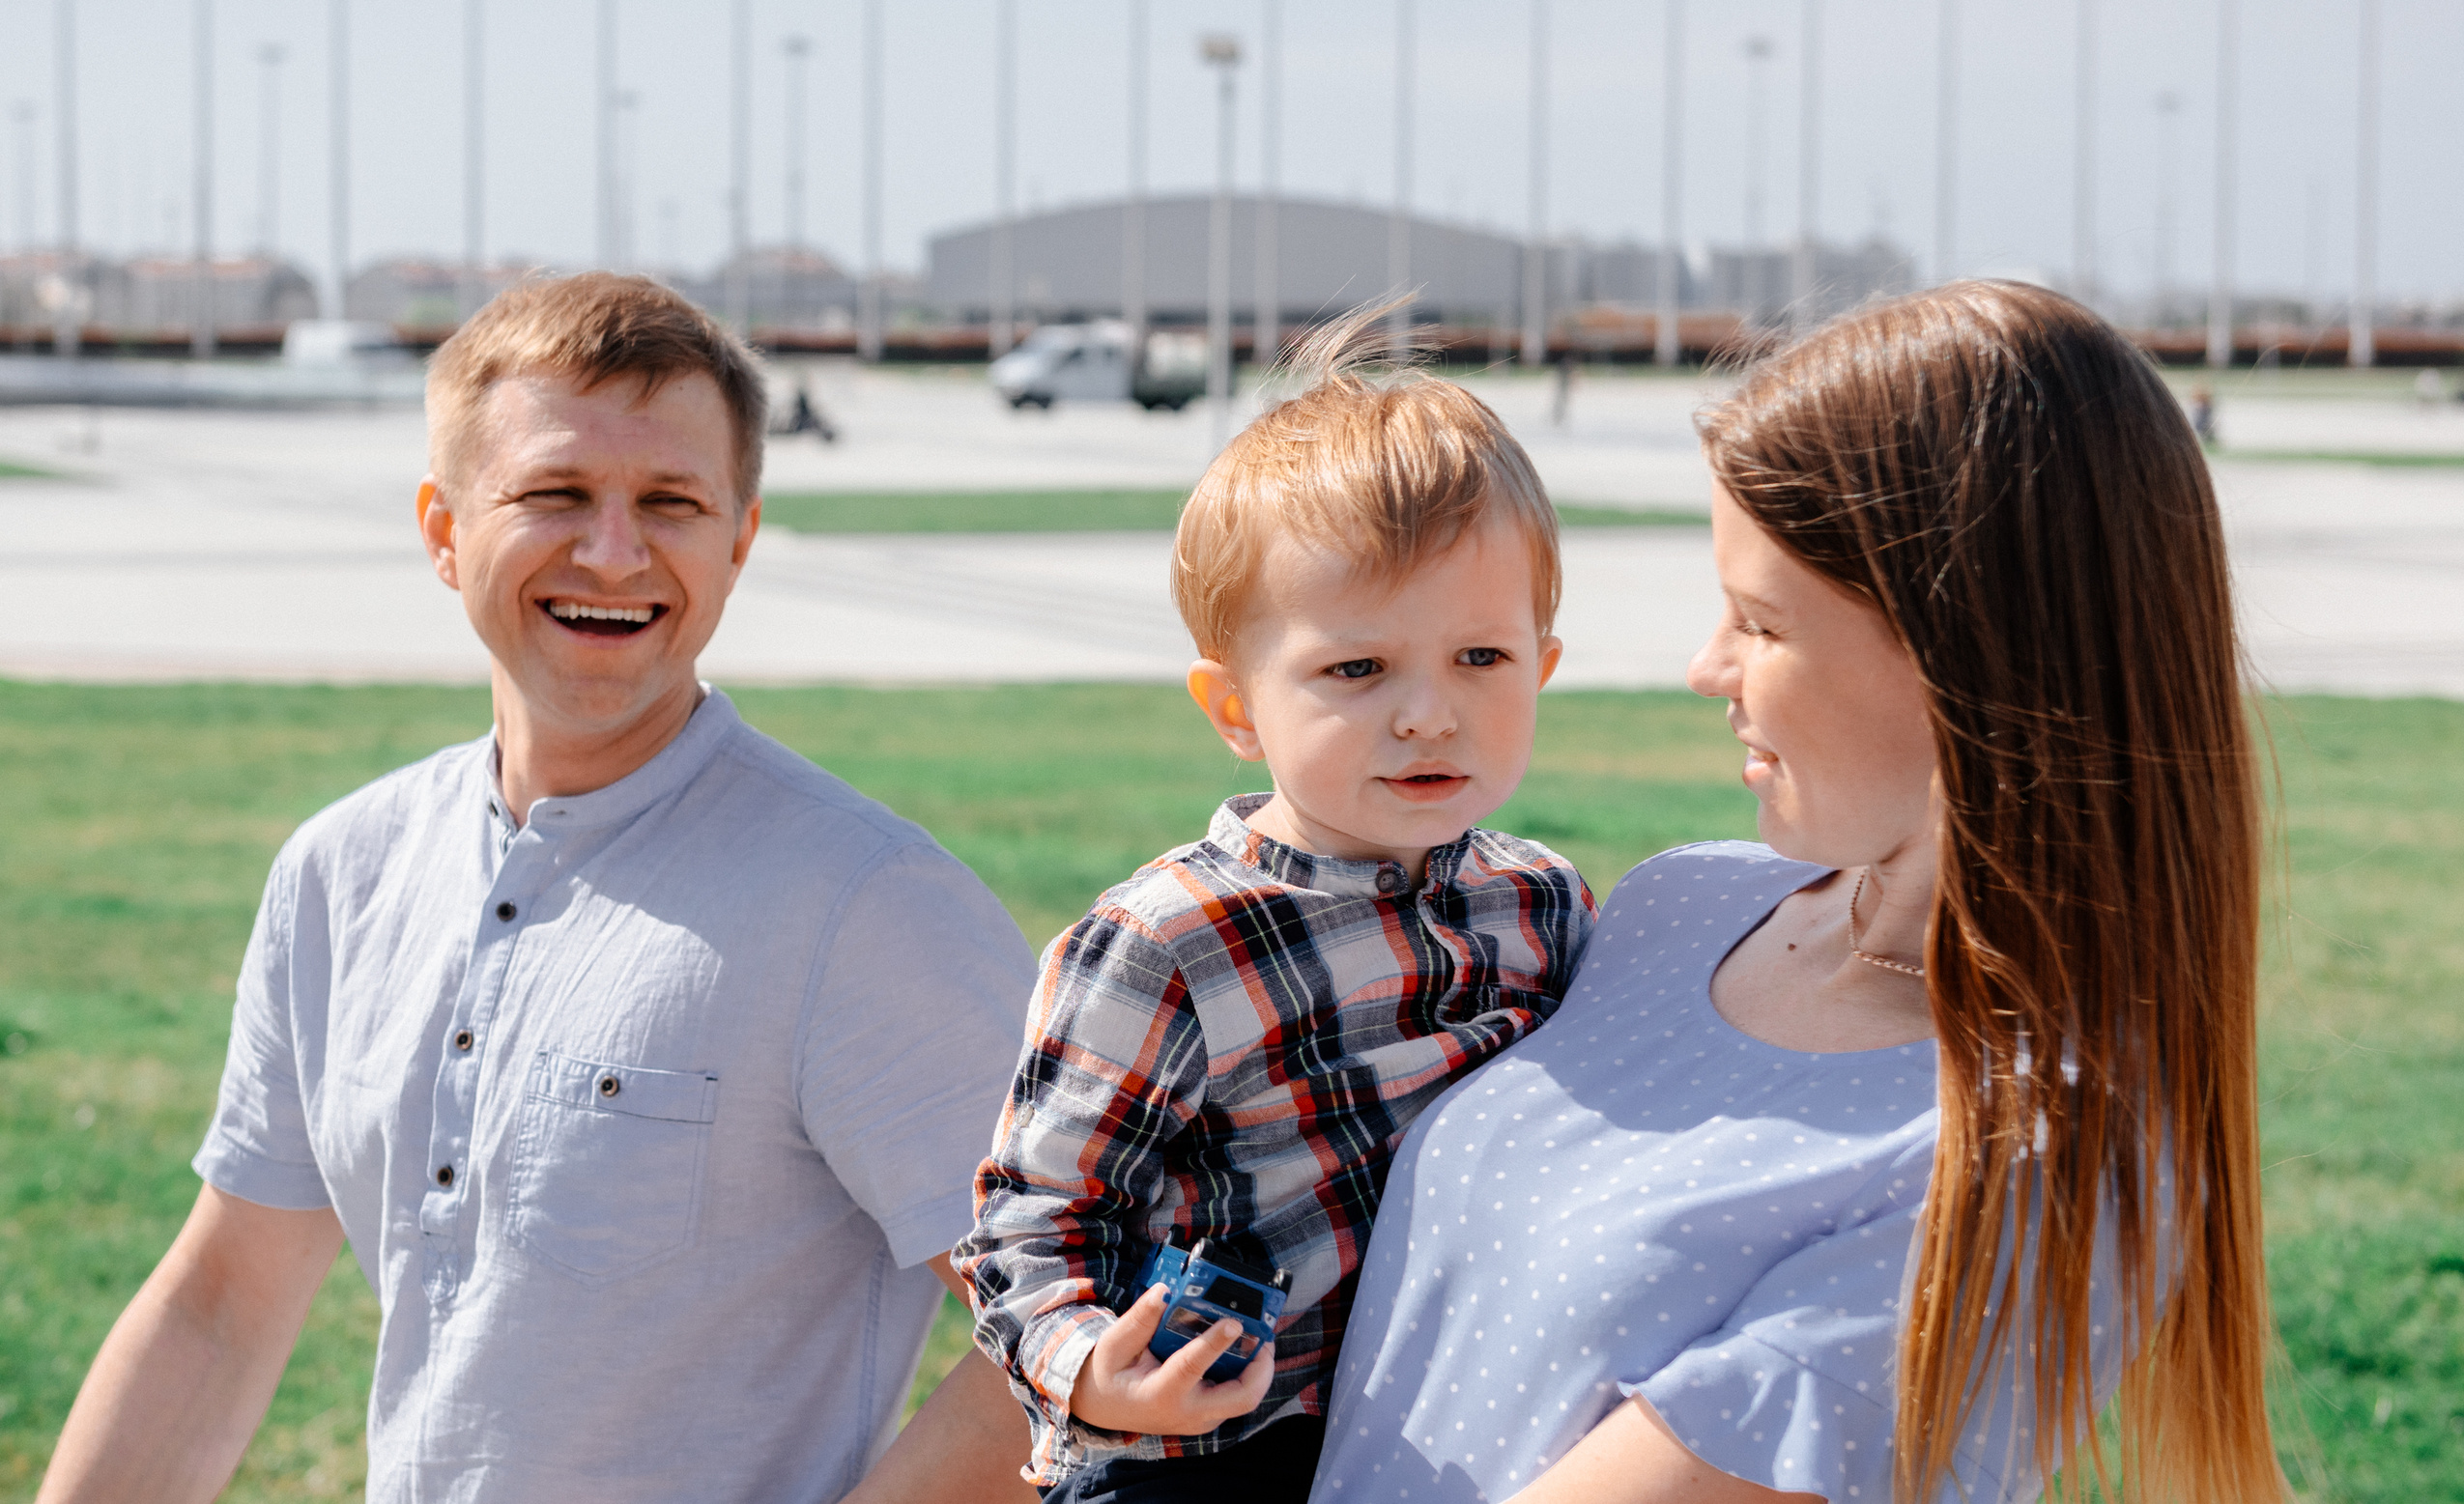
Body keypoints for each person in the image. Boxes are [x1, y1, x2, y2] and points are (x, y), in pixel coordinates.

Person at [38, 273, 1039, 1504]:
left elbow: (1069, 1336)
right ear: (444, 529)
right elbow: (221, 1307)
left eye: (670, 501)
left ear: (740, 537)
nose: (613, 551)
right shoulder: (339, 872)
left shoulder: (865, 905)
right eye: (554, 492)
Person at [1313, 281, 2286, 1504]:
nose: (1703, 666)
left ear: (1960, 651)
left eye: (1759, 622)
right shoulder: (1677, 908)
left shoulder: (2036, 1154)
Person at [956, 312, 1598, 1504]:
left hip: (1459, 1419)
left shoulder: (1542, 902)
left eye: (1481, 659)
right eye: (1358, 669)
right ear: (1235, 705)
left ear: (1542, 667)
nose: (1428, 714)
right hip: (1214, 1451)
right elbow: (1032, 1217)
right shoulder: (1170, 940)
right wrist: (1094, 1369)